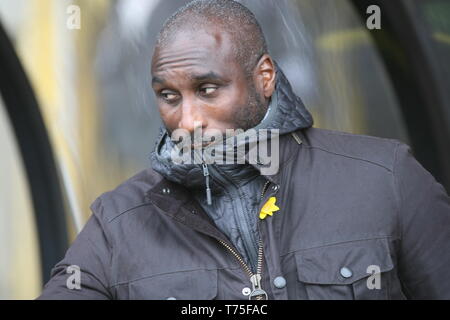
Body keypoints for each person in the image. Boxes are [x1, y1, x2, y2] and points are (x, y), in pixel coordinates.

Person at [38, 0, 450, 300]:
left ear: (264, 77)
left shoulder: (386, 178)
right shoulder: (119, 222)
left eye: (207, 89)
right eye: (168, 96)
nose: (189, 120)